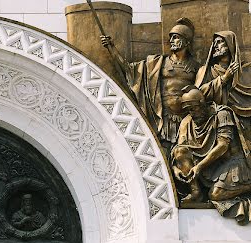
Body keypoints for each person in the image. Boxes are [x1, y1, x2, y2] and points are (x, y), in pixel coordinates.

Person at [101, 18, 200, 152]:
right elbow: (130, 69)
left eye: (175, 37)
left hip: (185, 121)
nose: (171, 40)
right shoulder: (158, 63)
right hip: (161, 120)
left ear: (186, 41)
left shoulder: (196, 67)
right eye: (170, 37)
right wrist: (112, 48)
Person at [172, 86, 251, 207]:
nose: (192, 114)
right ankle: (195, 192)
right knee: (179, 150)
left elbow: (223, 146)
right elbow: (179, 149)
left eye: (194, 109)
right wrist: (175, 168)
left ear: (202, 103)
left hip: (230, 163)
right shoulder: (187, 122)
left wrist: (199, 167)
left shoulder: (222, 114)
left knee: (215, 195)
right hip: (205, 168)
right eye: (189, 110)